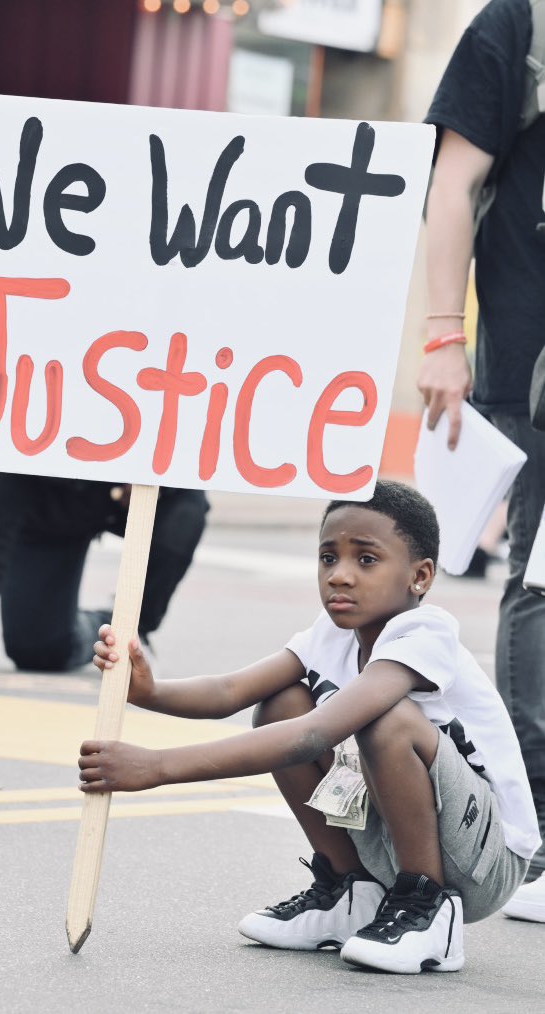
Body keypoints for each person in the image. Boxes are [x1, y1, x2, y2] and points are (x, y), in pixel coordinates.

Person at [78, 480, 539, 974]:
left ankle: (426, 907)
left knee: (386, 722)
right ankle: (350, 892)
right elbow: (232, 691)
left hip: (485, 862)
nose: (339, 576)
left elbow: (312, 736)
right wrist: (148, 691)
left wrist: (157, 767)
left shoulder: (425, 636)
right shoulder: (333, 633)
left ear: (420, 576)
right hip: (406, 839)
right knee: (281, 703)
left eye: (366, 560)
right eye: (327, 558)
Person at [417, 0, 545, 918]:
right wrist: (439, 335)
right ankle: (535, 833)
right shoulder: (520, 23)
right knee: (543, 585)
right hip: (535, 363)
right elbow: (453, 182)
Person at [0, 472, 208, 675]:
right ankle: (107, 623)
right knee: (36, 649)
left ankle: (136, 624)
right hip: (50, 521)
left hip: (135, 490)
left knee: (186, 510)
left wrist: (156, 480)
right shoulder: (18, 459)